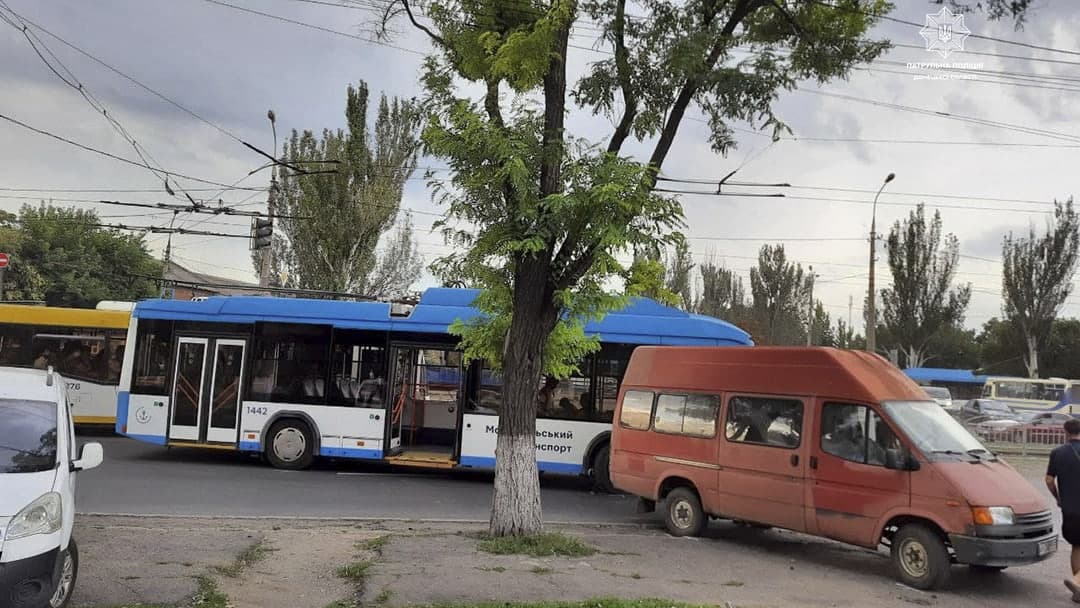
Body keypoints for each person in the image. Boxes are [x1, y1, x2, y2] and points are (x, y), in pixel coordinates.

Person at [1047, 418, 1080, 602]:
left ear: (1065, 432)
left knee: (1077, 545)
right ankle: (1077, 580)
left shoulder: (1057, 453)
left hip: (1069, 509)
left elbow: (1049, 480)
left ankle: (1078, 592)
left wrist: (1058, 498)